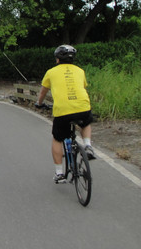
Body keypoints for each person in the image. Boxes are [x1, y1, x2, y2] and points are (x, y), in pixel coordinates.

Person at [35, 44, 95, 183]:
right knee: (86, 122)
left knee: (57, 139)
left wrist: (39, 103)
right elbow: (81, 87)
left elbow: (43, 92)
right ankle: (87, 145)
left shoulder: (51, 72)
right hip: (82, 107)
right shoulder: (80, 71)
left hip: (63, 111)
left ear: (57, 59)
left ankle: (59, 173)